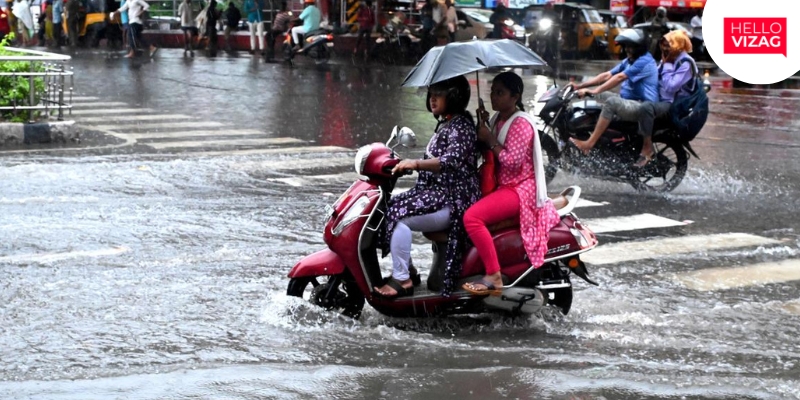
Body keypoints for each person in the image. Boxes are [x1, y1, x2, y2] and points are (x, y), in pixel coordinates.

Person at [374, 76, 481, 298]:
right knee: (389, 206)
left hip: (453, 199)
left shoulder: (462, 127)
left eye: (438, 94)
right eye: (431, 94)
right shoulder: (447, 123)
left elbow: (450, 161)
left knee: (399, 217)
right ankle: (409, 272)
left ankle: (402, 279)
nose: (432, 99)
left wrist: (416, 163)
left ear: (454, 96)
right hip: (438, 194)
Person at [461, 72, 560, 296]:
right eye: (493, 92)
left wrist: (489, 139)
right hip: (502, 185)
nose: (494, 97)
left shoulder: (521, 124)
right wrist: (484, 124)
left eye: (500, 93)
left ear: (515, 96)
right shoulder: (498, 119)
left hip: (519, 188)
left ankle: (493, 275)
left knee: (472, 218)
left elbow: (512, 162)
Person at [568, 29, 658, 155]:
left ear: (638, 47)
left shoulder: (644, 61)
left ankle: (589, 144)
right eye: (625, 46)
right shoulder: (629, 60)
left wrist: (595, 90)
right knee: (599, 95)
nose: (626, 49)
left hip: (642, 106)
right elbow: (607, 75)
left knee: (611, 102)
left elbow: (619, 77)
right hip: (629, 101)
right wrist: (580, 86)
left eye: (629, 46)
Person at [636, 30, 697, 167]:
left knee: (646, 108)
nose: (664, 48)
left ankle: (647, 148)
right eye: (663, 45)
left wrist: (667, 65)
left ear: (678, 45)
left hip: (673, 105)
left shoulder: (685, 63)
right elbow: (655, 76)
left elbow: (670, 87)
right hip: (660, 99)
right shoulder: (670, 58)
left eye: (668, 45)